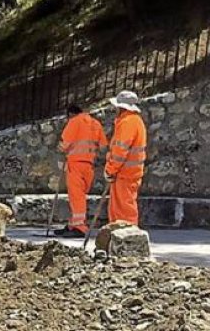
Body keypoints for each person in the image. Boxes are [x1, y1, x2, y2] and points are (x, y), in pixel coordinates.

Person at [56, 104, 106, 238]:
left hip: (75, 164)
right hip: (89, 166)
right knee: (81, 195)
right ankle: (73, 224)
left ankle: (79, 226)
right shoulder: (96, 124)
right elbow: (103, 145)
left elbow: (64, 144)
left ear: (71, 114)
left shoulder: (74, 122)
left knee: (76, 196)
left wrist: (61, 153)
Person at [104, 90, 147, 226]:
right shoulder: (136, 121)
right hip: (129, 173)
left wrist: (110, 170)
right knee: (122, 208)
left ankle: (127, 240)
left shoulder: (127, 122)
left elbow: (120, 151)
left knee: (123, 212)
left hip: (124, 173)